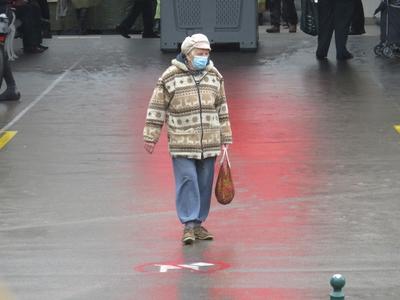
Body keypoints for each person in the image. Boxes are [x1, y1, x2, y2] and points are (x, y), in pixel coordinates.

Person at [143, 33, 233, 245]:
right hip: (182, 142)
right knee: (187, 180)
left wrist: (225, 135)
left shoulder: (214, 76)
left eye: (207, 53)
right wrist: (150, 136)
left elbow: (222, 107)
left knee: (204, 183)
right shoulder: (170, 77)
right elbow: (157, 107)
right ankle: (189, 224)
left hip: (209, 141)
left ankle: (199, 223)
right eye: (200, 53)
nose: (204, 57)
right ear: (188, 54)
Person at [0, 0, 20, 101]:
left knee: (0, 49)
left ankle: (12, 87)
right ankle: (12, 87)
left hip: (3, 13)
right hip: (4, 13)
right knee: (1, 50)